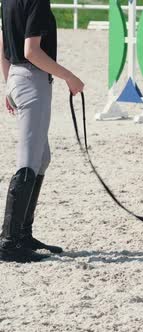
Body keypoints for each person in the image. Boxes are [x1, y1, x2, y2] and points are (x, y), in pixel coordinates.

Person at [0, 0, 85, 262]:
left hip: (18, 77)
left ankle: (23, 234)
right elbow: (32, 51)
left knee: (42, 157)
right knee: (28, 161)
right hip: (32, 80)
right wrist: (69, 77)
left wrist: (8, 84)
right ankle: (9, 242)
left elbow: (3, 46)